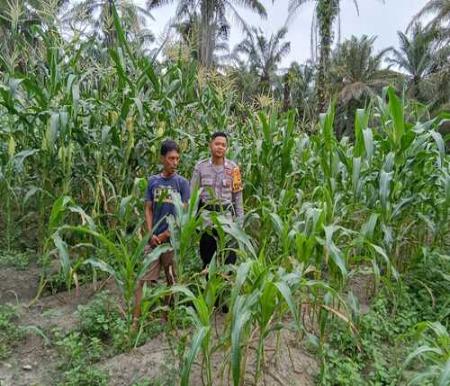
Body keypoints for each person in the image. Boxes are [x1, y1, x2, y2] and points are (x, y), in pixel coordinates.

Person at [133, 139, 190, 327]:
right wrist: (150, 233)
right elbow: (148, 208)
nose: (174, 162)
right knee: (142, 279)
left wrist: (165, 234)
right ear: (162, 158)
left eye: (177, 159)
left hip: (171, 240)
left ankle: (166, 318)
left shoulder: (182, 184)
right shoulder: (153, 181)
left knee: (171, 278)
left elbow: (183, 215)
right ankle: (135, 320)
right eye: (171, 158)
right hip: (153, 239)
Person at [191, 131, 244, 272]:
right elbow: (193, 197)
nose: (220, 147)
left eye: (223, 145)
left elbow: (238, 198)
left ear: (227, 148)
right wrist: (191, 221)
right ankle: (207, 289)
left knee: (228, 258)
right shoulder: (200, 167)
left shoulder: (234, 169)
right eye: (217, 144)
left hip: (226, 220)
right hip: (206, 220)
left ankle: (224, 289)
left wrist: (240, 222)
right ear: (210, 145)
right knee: (207, 259)